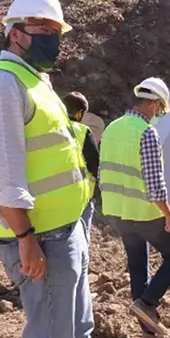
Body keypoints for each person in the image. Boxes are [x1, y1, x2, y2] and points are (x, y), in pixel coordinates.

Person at [0, 0, 95, 338]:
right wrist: (25, 238)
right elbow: (2, 172)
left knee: (77, 336)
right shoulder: (2, 85)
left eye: (55, 31)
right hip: (40, 238)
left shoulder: (38, 82)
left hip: (66, 229)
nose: (51, 38)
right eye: (41, 29)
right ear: (14, 34)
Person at [99, 77, 170, 338]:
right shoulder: (146, 133)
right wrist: (169, 216)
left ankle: (148, 334)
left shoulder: (113, 128)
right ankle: (147, 303)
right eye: (159, 109)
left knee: (138, 265)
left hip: (118, 212)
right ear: (154, 104)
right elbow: (155, 185)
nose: (159, 114)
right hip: (144, 212)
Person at [63, 91, 99, 243]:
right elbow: (95, 165)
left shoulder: (49, 127)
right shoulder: (82, 131)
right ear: (79, 113)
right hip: (80, 197)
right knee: (81, 241)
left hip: (50, 196)